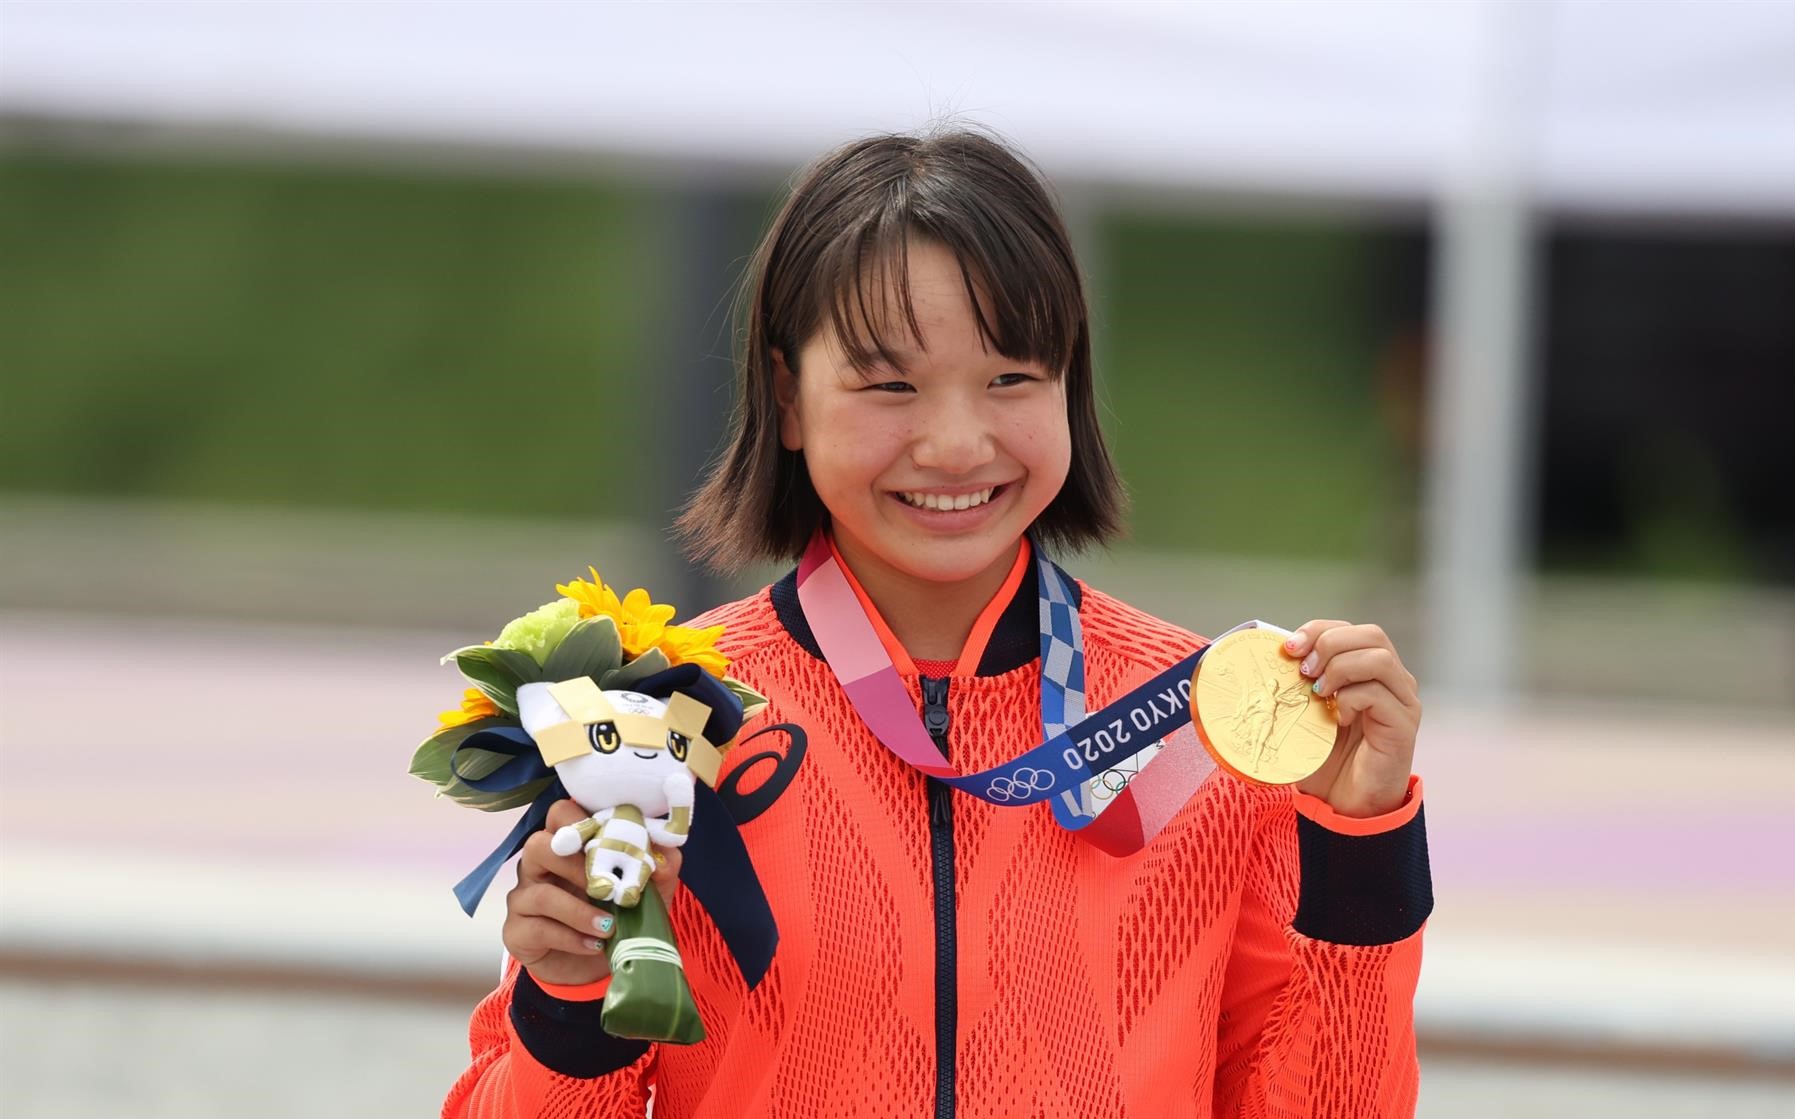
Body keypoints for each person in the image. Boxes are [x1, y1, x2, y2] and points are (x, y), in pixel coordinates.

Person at [445, 128, 1432, 1119]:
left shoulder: (1208, 724)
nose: (956, 444)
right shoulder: (670, 725)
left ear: (1071, 381)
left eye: (1011, 378)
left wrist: (1358, 848)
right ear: (788, 396)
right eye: (890, 386)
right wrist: (568, 999)